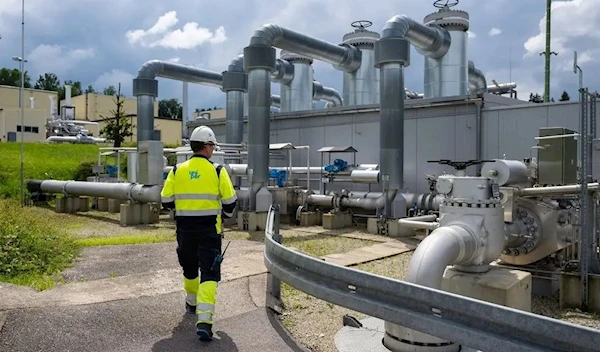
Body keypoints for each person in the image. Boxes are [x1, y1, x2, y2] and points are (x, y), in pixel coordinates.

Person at [160, 125, 238, 341]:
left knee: (190, 268)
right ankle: (204, 322)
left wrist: (182, 210)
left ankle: (192, 303)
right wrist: (223, 216)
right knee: (209, 273)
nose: (212, 150)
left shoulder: (177, 170)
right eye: (212, 145)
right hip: (209, 232)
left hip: (185, 231)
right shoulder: (217, 170)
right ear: (206, 146)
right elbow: (231, 202)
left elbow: (166, 201)